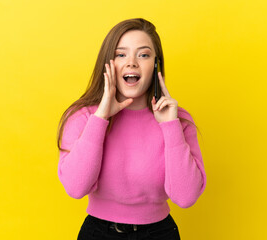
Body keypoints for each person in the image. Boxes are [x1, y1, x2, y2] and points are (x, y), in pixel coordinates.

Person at [57, 18, 206, 240]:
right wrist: (101, 118)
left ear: (156, 65)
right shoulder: (84, 117)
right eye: (121, 54)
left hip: (159, 233)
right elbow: (76, 188)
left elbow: (185, 198)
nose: (132, 63)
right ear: (107, 63)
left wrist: (170, 127)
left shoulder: (178, 121)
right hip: (98, 233)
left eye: (143, 55)